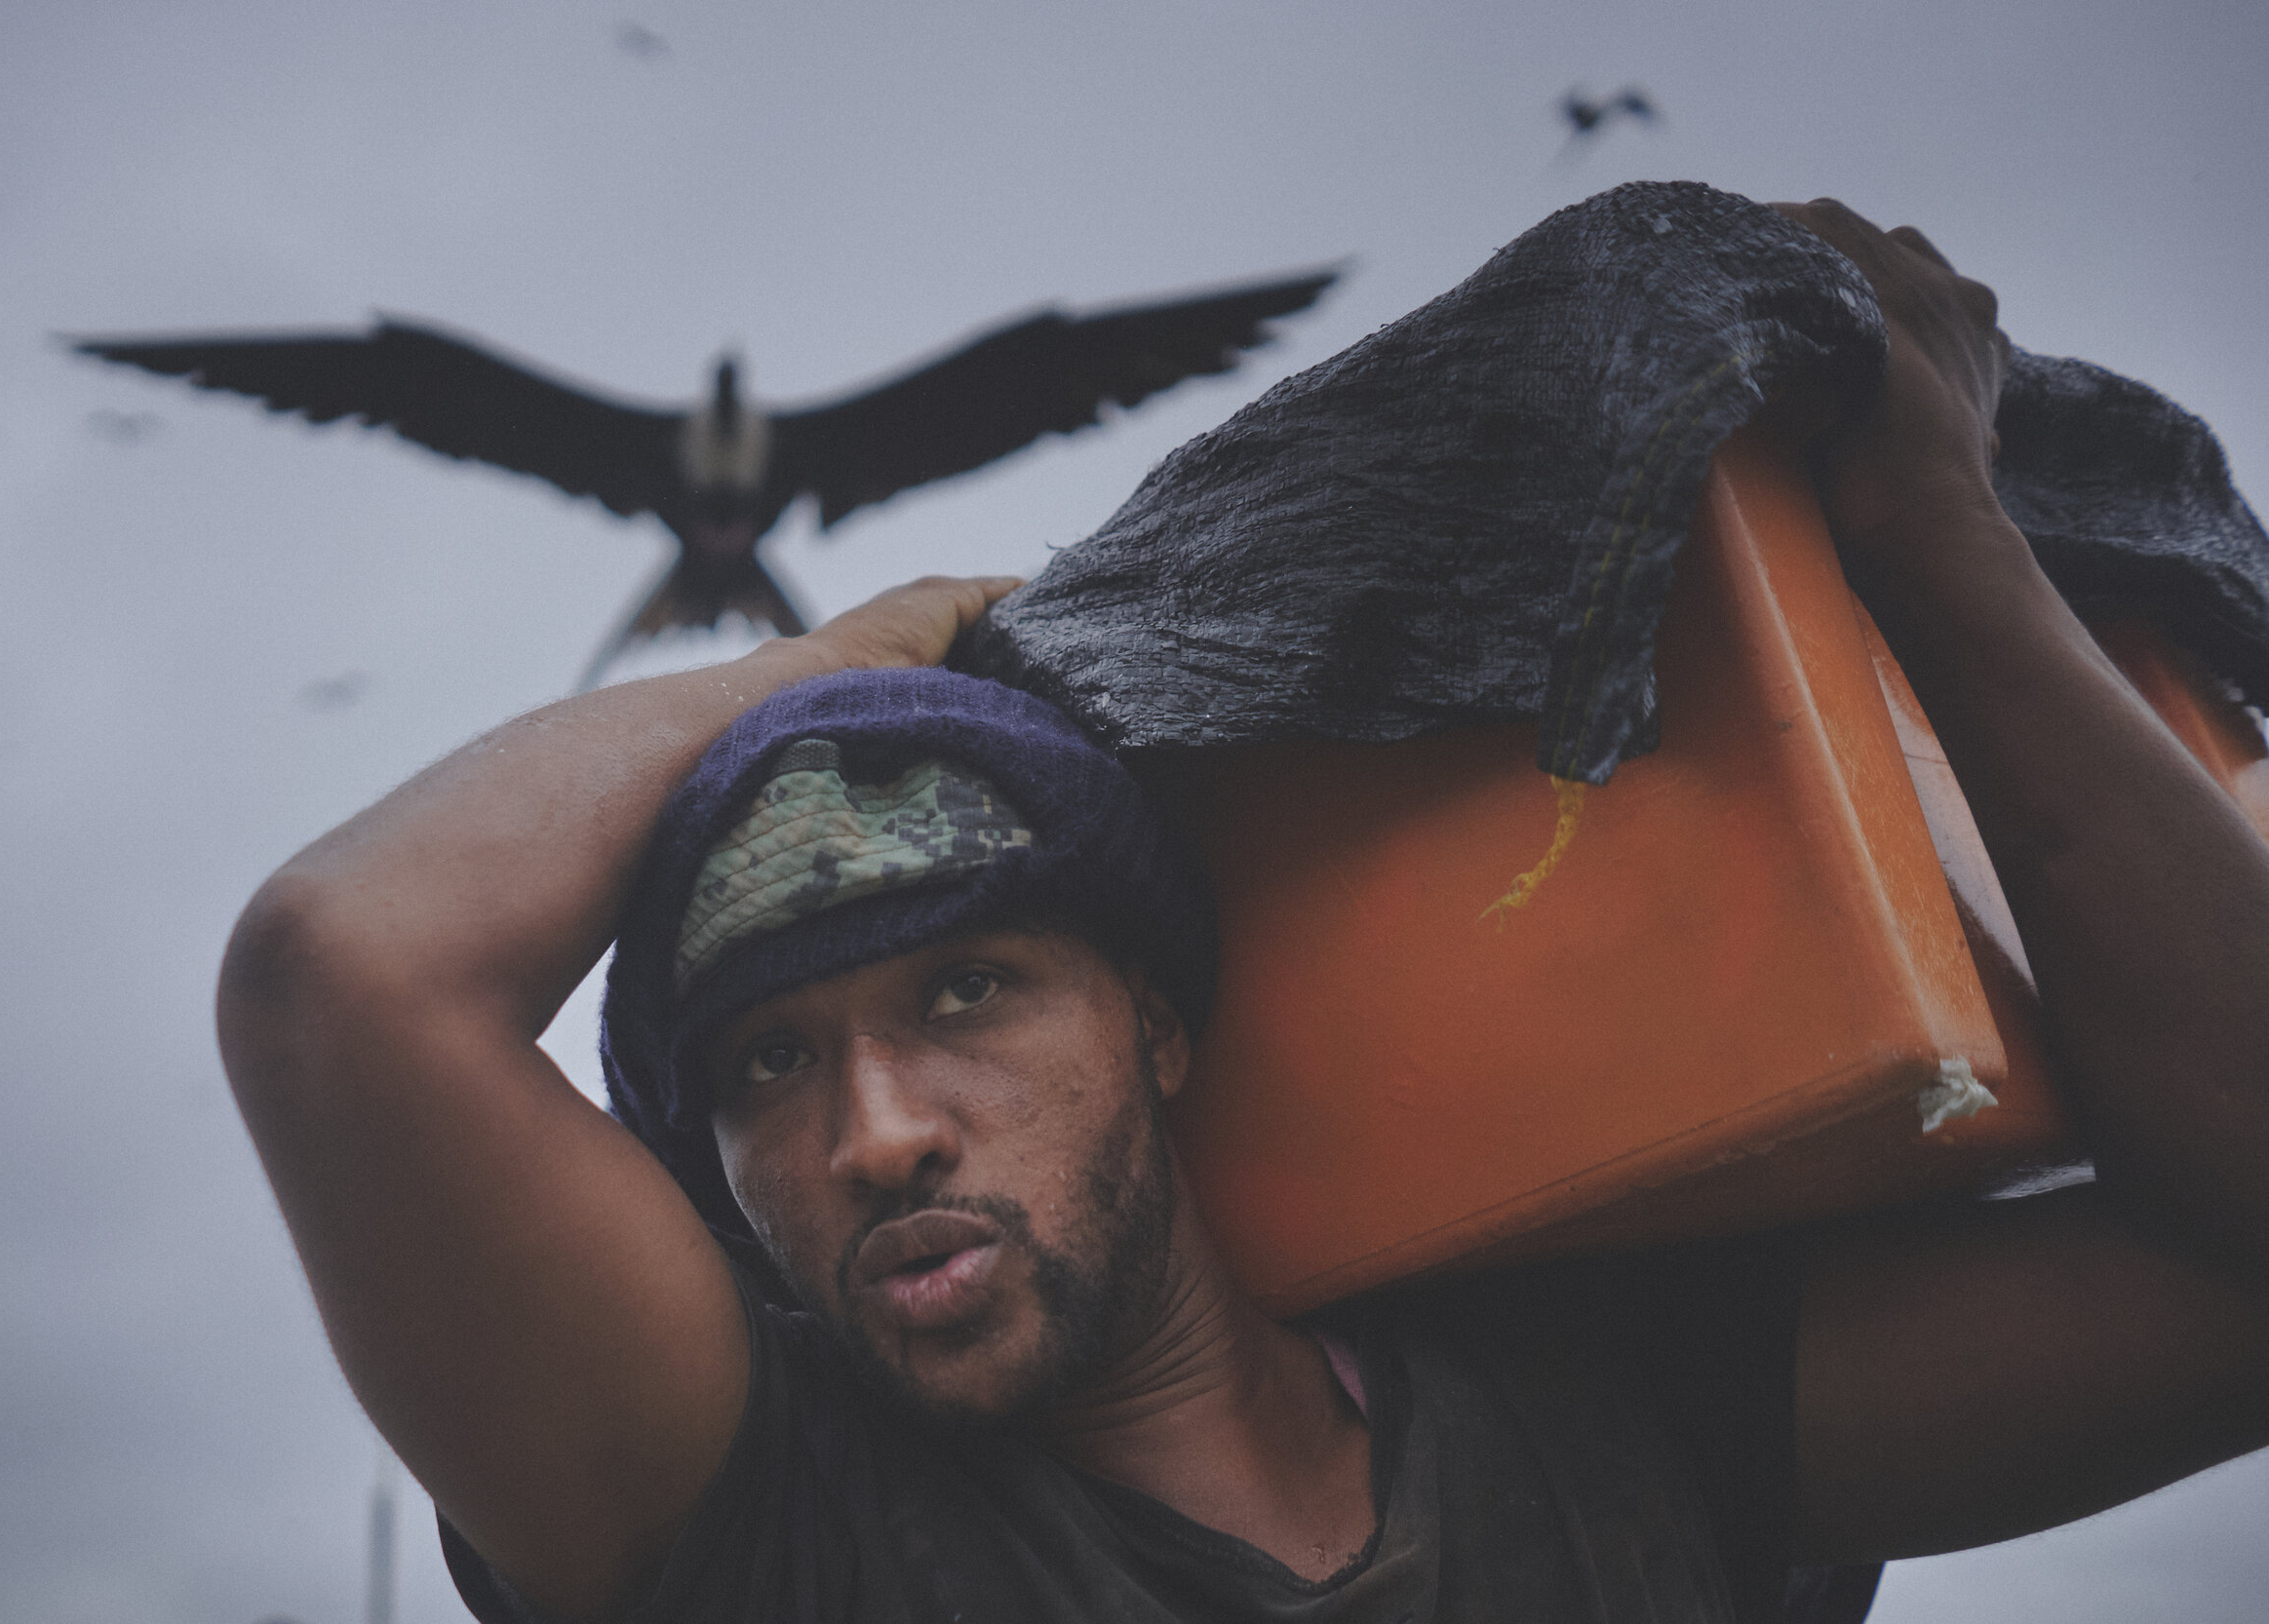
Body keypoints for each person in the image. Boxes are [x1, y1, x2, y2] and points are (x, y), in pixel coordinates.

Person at [216, 202, 2269, 1623]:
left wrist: (1941, 534)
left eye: (970, 985)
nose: (877, 1126)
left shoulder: (1605, 1412)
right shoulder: (772, 1526)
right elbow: (342, 971)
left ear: (1162, 1022)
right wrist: (861, 645)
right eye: (764, 1056)